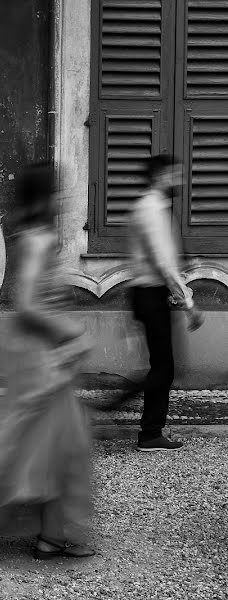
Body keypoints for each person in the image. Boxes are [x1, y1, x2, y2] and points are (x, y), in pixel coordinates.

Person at [0, 162, 95, 560]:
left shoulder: (31, 234)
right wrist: (70, 332)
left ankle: (48, 534)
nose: (64, 199)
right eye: (59, 192)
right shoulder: (39, 238)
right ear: (46, 197)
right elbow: (29, 301)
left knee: (50, 440)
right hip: (41, 353)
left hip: (38, 351)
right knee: (47, 441)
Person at [125, 154, 203, 451]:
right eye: (174, 174)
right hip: (150, 293)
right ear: (160, 176)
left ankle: (149, 428)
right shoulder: (151, 209)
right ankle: (149, 433)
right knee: (163, 368)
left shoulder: (154, 208)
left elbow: (165, 259)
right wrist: (190, 306)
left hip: (152, 293)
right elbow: (161, 262)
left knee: (163, 365)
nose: (179, 181)